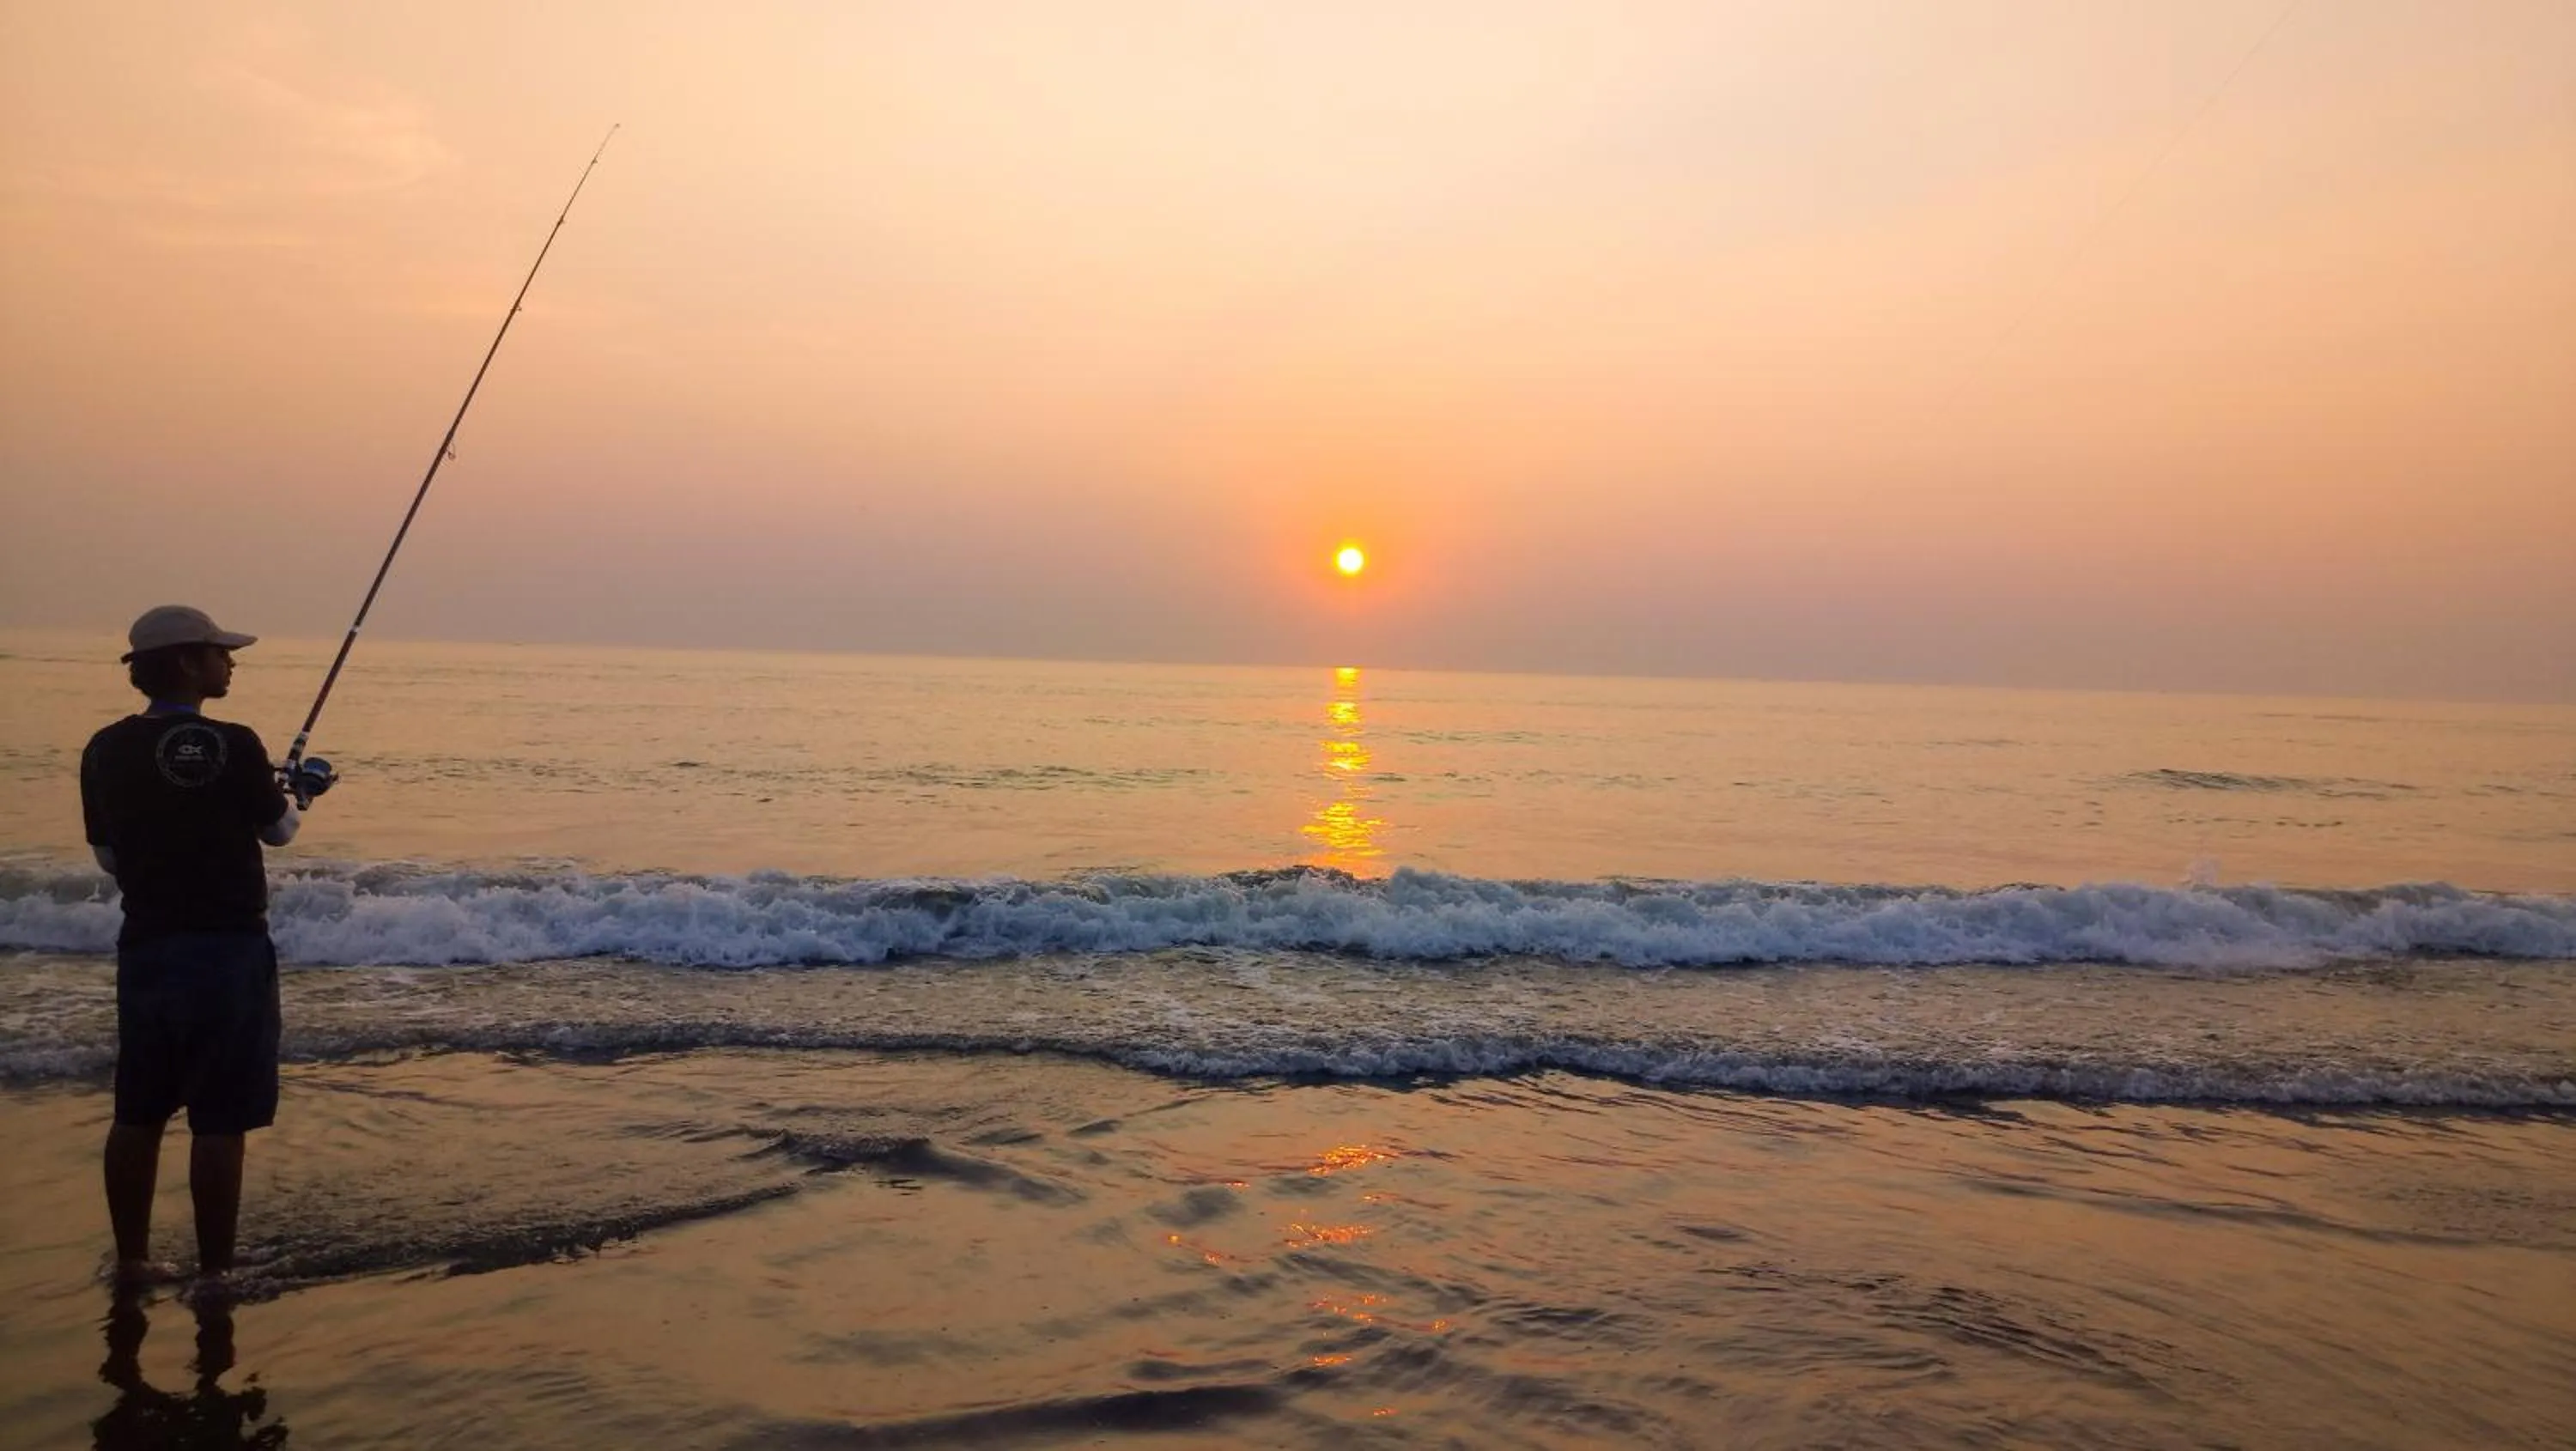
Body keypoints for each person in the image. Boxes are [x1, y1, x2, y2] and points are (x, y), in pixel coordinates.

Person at [80, 605, 303, 1290]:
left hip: (147, 949)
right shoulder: (235, 744)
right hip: (227, 950)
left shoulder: (104, 748)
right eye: (218, 653)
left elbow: (110, 859)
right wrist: (300, 795)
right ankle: (214, 1274)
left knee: (138, 1110)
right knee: (219, 1118)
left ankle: (133, 1261)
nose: (230, 662)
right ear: (185, 662)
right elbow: (280, 833)